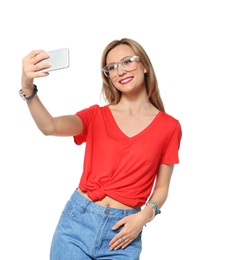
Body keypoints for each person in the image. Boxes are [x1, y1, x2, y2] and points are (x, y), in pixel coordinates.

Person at [20, 38, 182, 260]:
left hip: (123, 233)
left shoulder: (169, 127)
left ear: (145, 66)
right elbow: (50, 126)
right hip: (77, 223)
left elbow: (162, 187)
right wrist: (29, 90)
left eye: (127, 62)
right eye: (111, 67)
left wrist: (144, 216)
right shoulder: (96, 116)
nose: (119, 71)